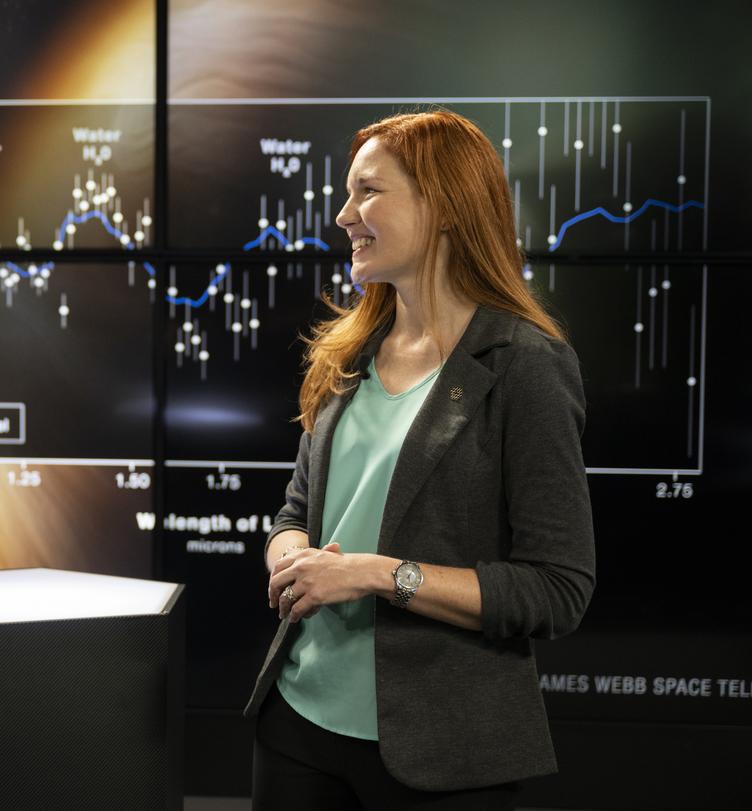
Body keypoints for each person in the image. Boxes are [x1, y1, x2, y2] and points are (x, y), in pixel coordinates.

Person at [247, 111, 596, 809]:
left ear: (444, 206)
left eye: (368, 192)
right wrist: (292, 558)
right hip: (296, 725)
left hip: (442, 753)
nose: (344, 215)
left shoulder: (526, 366)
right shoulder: (347, 351)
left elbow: (557, 589)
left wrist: (374, 574)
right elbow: (295, 512)